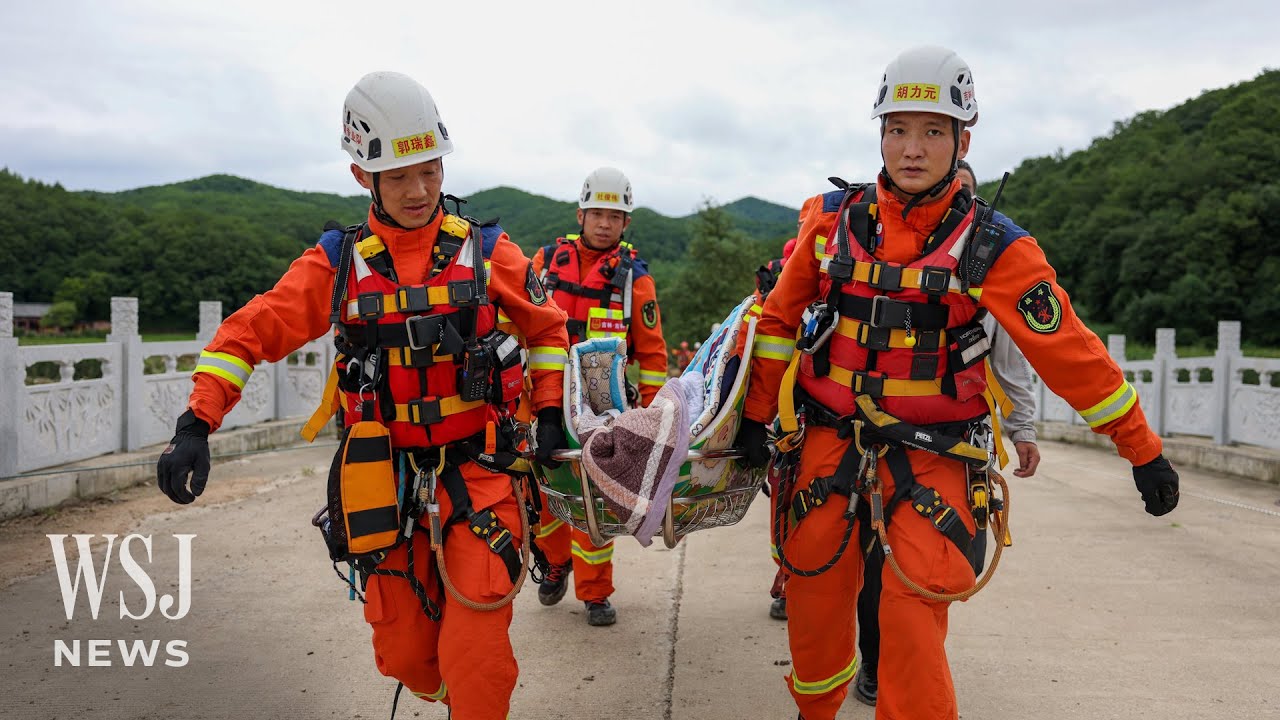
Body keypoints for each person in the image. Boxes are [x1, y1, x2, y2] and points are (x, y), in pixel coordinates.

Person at [735, 46, 1179, 720]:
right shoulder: (830, 223)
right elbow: (775, 322)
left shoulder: (996, 247)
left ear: (963, 139)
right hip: (828, 444)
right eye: (898, 129)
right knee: (814, 598)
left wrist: (1140, 448)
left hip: (938, 456)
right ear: (879, 133)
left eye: (933, 131)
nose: (912, 148)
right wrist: (752, 419)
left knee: (913, 614)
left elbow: (1071, 354)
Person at [155, 71, 570, 720]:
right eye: (401, 176)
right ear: (363, 178)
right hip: (383, 479)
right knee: (406, 656)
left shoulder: (488, 252)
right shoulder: (339, 264)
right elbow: (248, 334)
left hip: (481, 474)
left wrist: (548, 414)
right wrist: (195, 423)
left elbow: (548, 331)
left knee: (478, 656)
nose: (420, 189)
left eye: (430, 171)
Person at [847, 161, 1042, 706]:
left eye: (966, 194)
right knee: (877, 553)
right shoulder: (873, 256)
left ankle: (912, 663)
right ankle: (877, 663)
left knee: (948, 562)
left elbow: (1010, 356)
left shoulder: (990, 259)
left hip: (959, 442)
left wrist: (1022, 427)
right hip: (875, 438)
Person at [529, 167, 669, 626]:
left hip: (601, 403)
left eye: (615, 215)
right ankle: (554, 563)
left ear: (626, 223)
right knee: (540, 492)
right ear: (580, 214)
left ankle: (595, 593)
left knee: (592, 498)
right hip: (542, 398)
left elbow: (651, 352)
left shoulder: (635, 281)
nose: (605, 223)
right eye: (597, 214)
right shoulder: (545, 264)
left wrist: (651, 413)